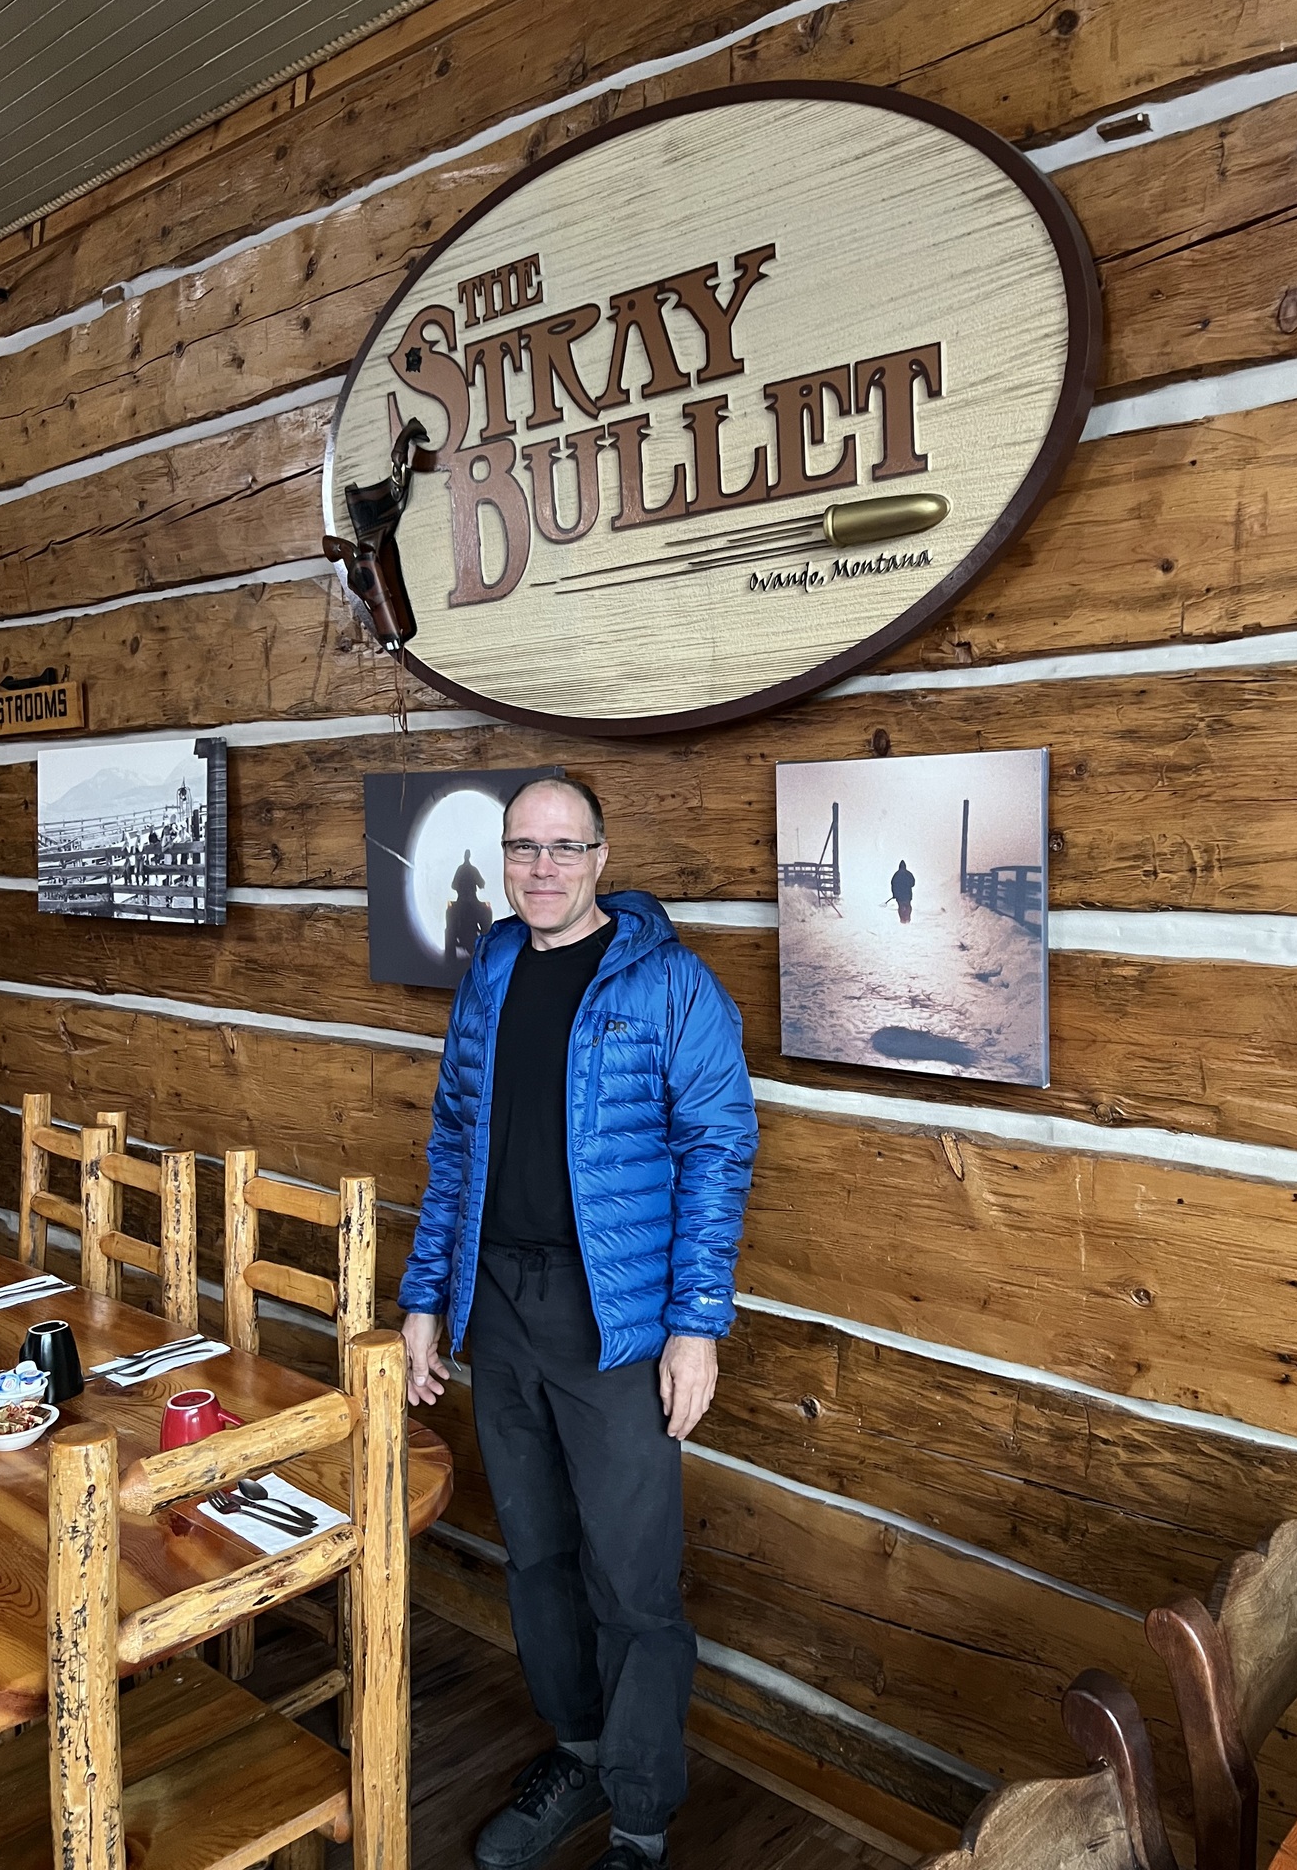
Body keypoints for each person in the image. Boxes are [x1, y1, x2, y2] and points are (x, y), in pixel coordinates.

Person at [399, 777, 757, 1870]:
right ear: (505, 859)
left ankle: (640, 1818)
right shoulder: (493, 967)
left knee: (632, 1578)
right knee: (538, 1555)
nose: (542, 867)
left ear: (602, 856)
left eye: (564, 847)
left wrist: (695, 1325)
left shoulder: (672, 982)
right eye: (524, 847)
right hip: (498, 1303)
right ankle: (581, 1749)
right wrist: (425, 1297)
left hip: (617, 1319)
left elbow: (719, 1150)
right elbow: (454, 1140)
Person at [890, 858, 915, 924]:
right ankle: (908, 917)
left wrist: (894, 894)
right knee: (908, 906)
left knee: (901, 906)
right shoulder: (908, 874)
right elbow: (913, 883)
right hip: (907, 894)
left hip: (899, 895)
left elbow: (893, 885)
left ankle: (902, 919)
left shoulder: (896, 875)